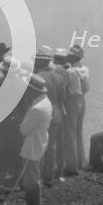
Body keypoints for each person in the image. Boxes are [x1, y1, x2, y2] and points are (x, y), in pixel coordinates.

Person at [18, 74, 51, 205]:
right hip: (40, 142)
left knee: (31, 181)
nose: (27, 92)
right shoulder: (46, 102)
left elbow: (23, 129)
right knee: (34, 178)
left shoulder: (36, 108)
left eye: (29, 89)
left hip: (32, 146)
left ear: (35, 91)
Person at [34, 47, 67, 186]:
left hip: (43, 113)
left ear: (41, 61)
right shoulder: (59, 77)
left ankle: (38, 176)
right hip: (56, 113)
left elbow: (34, 97)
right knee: (51, 146)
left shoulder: (38, 77)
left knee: (39, 144)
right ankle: (49, 177)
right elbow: (63, 98)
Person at [63, 45, 89, 175]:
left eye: (70, 56)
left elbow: (65, 88)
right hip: (82, 101)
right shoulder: (85, 69)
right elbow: (86, 88)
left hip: (72, 101)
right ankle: (81, 162)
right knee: (79, 131)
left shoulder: (70, 71)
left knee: (71, 133)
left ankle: (71, 166)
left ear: (74, 57)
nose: (68, 57)